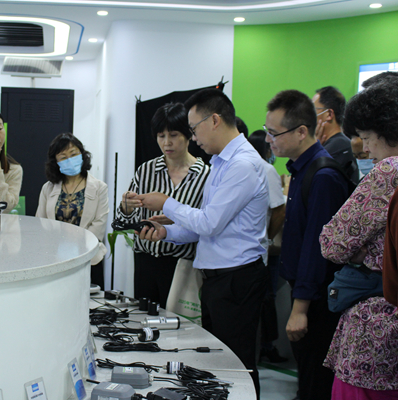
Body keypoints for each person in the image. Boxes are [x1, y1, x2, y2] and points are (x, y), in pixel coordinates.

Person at [137, 89, 268, 397]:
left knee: (237, 364)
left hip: (236, 278)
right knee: (218, 362)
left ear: (215, 120)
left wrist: (166, 202)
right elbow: (204, 228)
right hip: (217, 279)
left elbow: (209, 222)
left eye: (194, 129)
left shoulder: (242, 165)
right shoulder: (221, 162)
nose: (194, 138)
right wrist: (166, 233)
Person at [264, 90, 351, 400]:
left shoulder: (323, 175)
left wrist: (300, 309)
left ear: (302, 131)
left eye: (274, 133)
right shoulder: (301, 169)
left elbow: (317, 250)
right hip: (306, 295)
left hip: (318, 303)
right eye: (267, 131)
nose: (269, 140)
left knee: (316, 383)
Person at [319, 82, 398, 398]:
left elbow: (332, 243)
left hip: (377, 322)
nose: (366, 149)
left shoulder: (389, 171)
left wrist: (357, 253)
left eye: (366, 138)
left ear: (386, 131)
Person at [114, 102, 209, 308]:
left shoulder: (205, 175)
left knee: (180, 322)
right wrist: (126, 208)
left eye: (173, 135)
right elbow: (123, 222)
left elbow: (207, 224)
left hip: (182, 265)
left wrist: (176, 221)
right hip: (145, 261)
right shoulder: (146, 170)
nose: (167, 143)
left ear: (188, 134)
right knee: (144, 317)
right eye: (161, 136)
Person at [36, 133, 109, 288]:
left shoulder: (99, 188)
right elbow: (40, 223)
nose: (69, 160)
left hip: (89, 258)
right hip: (55, 260)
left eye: (73, 154)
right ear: (55, 162)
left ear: (82, 155)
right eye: (63, 157)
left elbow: (99, 225)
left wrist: (76, 241)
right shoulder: (48, 188)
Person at [247, 130, 287, 364]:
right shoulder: (255, 168)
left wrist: (268, 239)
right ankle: (263, 346)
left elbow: (279, 210)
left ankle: (265, 345)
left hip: (262, 251)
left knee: (266, 297)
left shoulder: (265, 169)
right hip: (252, 253)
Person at [312, 86, 359, 185]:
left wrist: (311, 149)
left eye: (313, 110)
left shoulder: (338, 147)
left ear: (329, 114)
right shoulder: (329, 146)